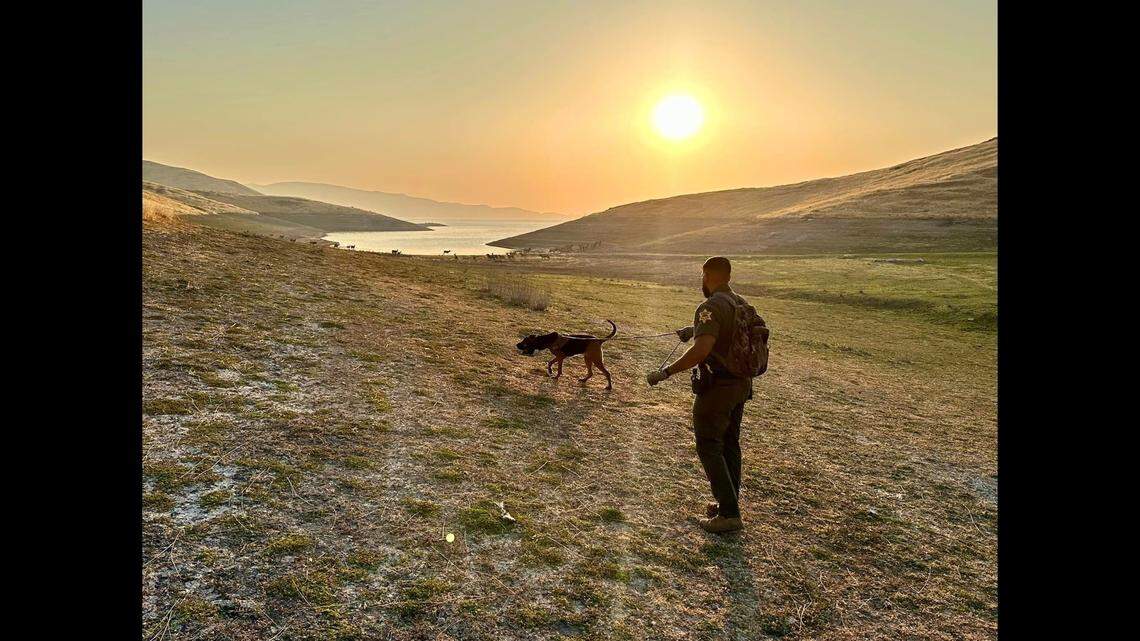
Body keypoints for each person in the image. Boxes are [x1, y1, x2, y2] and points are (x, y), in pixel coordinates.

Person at [647, 256, 753, 533]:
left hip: (718, 388)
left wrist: (666, 372)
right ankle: (728, 503)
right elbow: (728, 333)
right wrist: (692, 329)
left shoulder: (709, 306)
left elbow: (701, 351)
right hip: (741, 384)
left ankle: (729, 515)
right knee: (729, 444)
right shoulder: (741, 303)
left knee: (709, 446)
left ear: (707, 275)